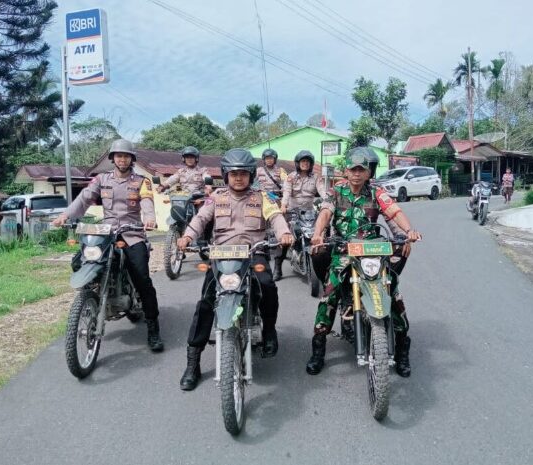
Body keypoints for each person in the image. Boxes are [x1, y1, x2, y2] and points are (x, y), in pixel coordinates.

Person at [176, 148, 294, 391]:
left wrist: (283, 232)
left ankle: (269, 331)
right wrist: (187, 236)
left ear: (251, 175)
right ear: (225, 175)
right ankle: (193, 361)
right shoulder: (216, 197)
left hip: (253, 253)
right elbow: (200, 219)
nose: (238, 178)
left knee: (267, 285)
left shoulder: (262, 198)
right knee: (207, 302)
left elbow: (275, 217)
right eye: (233, 174)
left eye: (243, 173)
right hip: (222, 256)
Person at [306, 146, 422, 377]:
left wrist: (409, 230)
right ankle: (318, 348)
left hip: (372, 251)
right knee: (330, 294)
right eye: (353, 169)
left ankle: (402, 349)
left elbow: (394, 211)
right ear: (346, 172)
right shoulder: (336, 191)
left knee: (392, 290)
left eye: (362, 169)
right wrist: (318, 234)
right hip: (343, 251)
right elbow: (325, 213)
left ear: (368, 172)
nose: (357, 174)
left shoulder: (377, 193)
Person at [53, 139, 164, 352]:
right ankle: (91, 297)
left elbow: (147, 202)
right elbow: (84, 199)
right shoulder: (101, 180)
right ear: (112, 158)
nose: (122, 159)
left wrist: (149, 218)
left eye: (126, 156)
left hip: (132, 234)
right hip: (106, 233)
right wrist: (65, 215)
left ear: (132, 159)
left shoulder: (141, 181)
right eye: (118, 156)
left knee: (142, 278)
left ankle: (153, 329)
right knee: (80, 261)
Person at [275, 150, 325, 281]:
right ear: (298, 163)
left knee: (317, 235)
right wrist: (283, 205)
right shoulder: (291, 177)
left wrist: (329, 202)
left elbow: (323, 192)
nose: (305, 164)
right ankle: (278, 266)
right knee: (286, 239)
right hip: (292, 212)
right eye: (303, 161)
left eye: (308, 162)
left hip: (309, 212)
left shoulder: (316, 177)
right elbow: (286, 192)